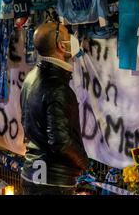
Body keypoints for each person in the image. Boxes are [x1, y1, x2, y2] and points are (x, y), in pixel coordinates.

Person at [20, 21, 88, 195]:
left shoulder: (30, 78)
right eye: (66, 33)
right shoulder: (57, 87)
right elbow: (61, 141)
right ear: (60, 45)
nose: (71, 37)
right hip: (53, 183)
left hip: (32, 175)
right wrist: (83, 161)